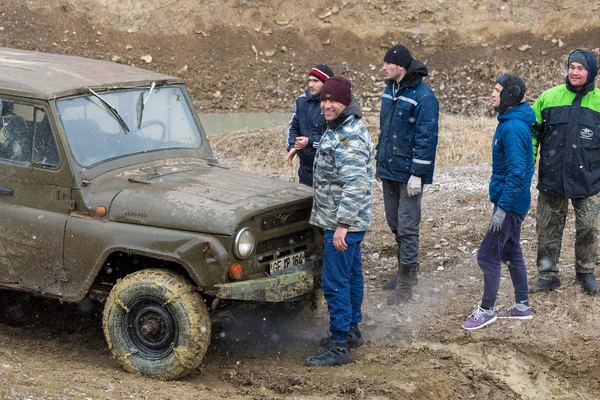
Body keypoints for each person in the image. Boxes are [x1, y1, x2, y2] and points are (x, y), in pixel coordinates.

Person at [304, 76, 374, 366]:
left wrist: (342, 224)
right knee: (351, 276)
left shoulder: (349, 137)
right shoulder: (341, 128)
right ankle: (351, 331)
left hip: (343, 224)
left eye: (333, 100)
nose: (327, 105)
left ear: (346, 102)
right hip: (347, 221)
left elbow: (355, 184)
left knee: (334, 281)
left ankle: (339, 345)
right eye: (324, 100)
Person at [462, 74, 535, 330]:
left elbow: (516, 172)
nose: (492, 94)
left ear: (509, 96)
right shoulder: (509, 122)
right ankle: (523, 306)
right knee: (511, 250)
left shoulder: (513, 128)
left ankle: (487, 310)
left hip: (510, 203)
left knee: (487, 255)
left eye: (497, 90)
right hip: (513, 201)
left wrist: (502, 210)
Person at [529, 49, 600, 295]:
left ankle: (585, 272)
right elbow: (532, 136)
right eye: (572, 67)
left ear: (591, 72)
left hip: (589, 180)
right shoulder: (548, 98)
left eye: (581, 68)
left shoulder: (599, 102)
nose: (575, 72)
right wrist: (529, 164)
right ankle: (548, 274)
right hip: (552, 178)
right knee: (547, 228)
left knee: (588, 229)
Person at [376, 45, 439, 304]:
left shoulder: (424, 97)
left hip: (408, 174)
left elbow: (427, 137)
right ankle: (405, 272)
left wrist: (418, 173)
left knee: (407, 226)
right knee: (394, 223)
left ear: (400, 67)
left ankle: (406, 283)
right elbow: (385, 130)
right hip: (389, 169)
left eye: (387, 64)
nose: (383, 67)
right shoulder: (389, 90)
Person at [286, 64, 334, 186]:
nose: (310, 84)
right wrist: (293, 145)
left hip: (328, 171)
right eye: (310, 80)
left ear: (326, 83)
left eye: (315, 81)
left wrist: (310, 141)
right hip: (305, 169)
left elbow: (334, 138)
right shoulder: (301, 101)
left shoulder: (332, 105)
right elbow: (294, 127)